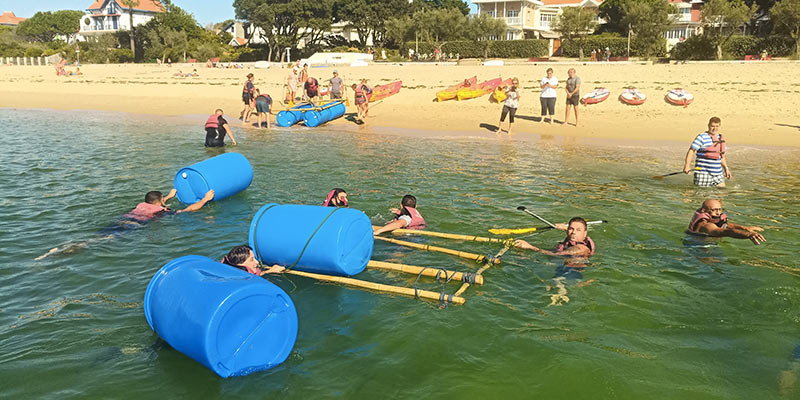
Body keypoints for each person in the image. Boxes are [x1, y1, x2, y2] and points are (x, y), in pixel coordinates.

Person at [687, 199, 766, 244]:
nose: (718, 213)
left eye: (719, 209)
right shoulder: (706, 226)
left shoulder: (713, 220)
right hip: (700, 248)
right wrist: (748, 234)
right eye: (714, 210)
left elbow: (725, 225)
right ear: (704, 211)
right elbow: (727, 232)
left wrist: (745, 228)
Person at [683, 116, 730, 187]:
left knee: (721, 193)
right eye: (712, 126)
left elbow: (721, 157)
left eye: (717, 126)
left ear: (719, 126)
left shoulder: (720, 139)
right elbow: (691, 151)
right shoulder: (702, 137)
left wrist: (726, 169)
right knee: (702, 196)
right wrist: (687, 166)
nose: (714, 128)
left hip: (718, 174)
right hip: (703, 174)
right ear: (708, 125)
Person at [513, 217, 595, 257]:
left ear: (585, 233)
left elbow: (556, 254)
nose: (573, 232)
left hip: (569, 271)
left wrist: (530, 247)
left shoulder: (580, 248)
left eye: (578, 230)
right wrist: (565, 227)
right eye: (571, 229)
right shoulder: (574, 236)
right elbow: (573, 232)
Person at [125, 189, 215, 222]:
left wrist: (170, 196)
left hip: (125, 219)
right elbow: (188, 209)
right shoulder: (162, 211)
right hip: (135, 225)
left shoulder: (143, 205)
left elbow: (157, 202)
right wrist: (205, 199)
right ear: (159, 201)